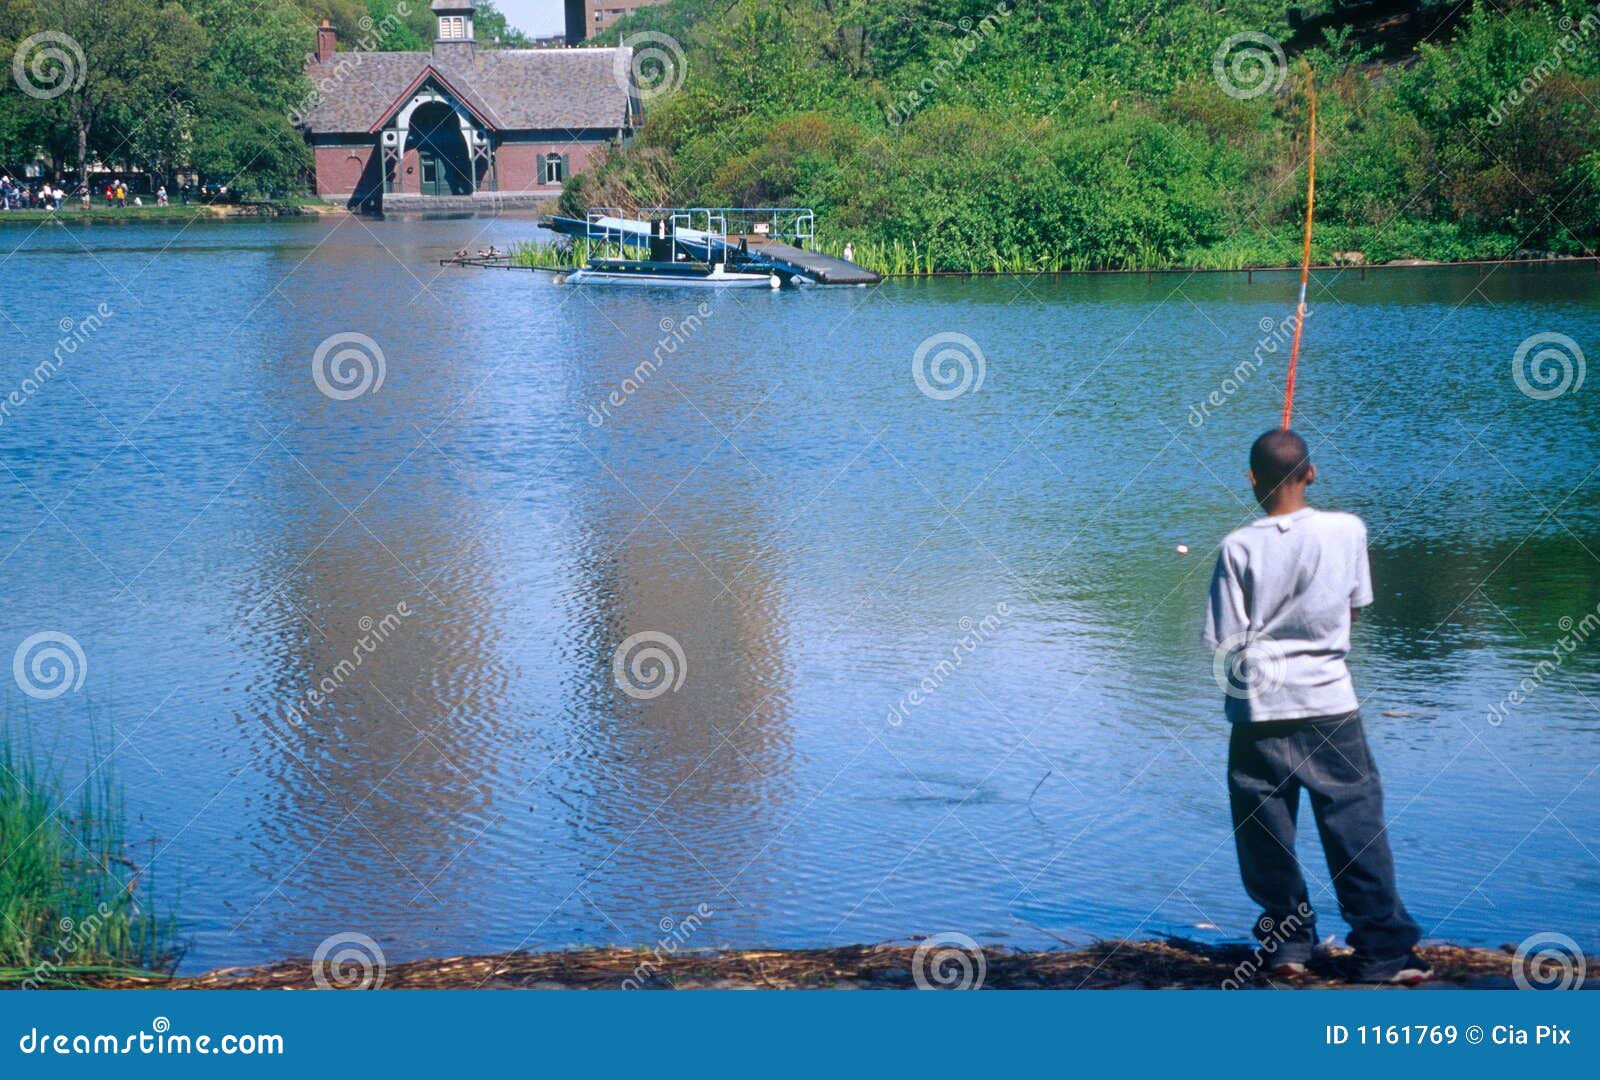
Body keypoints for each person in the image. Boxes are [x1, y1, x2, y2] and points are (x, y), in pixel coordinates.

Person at [1203, 428, 1428, 985]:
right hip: (1330, 701)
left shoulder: (1237, 546)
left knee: (1265, 832)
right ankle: (1382, 951)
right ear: (1312, 473)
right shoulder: (1348, 529)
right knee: (1354, 826)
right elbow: (1353, 611)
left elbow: (1226, 641)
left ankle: (1287, 946)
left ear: (1251, 479)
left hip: (1258, 708)